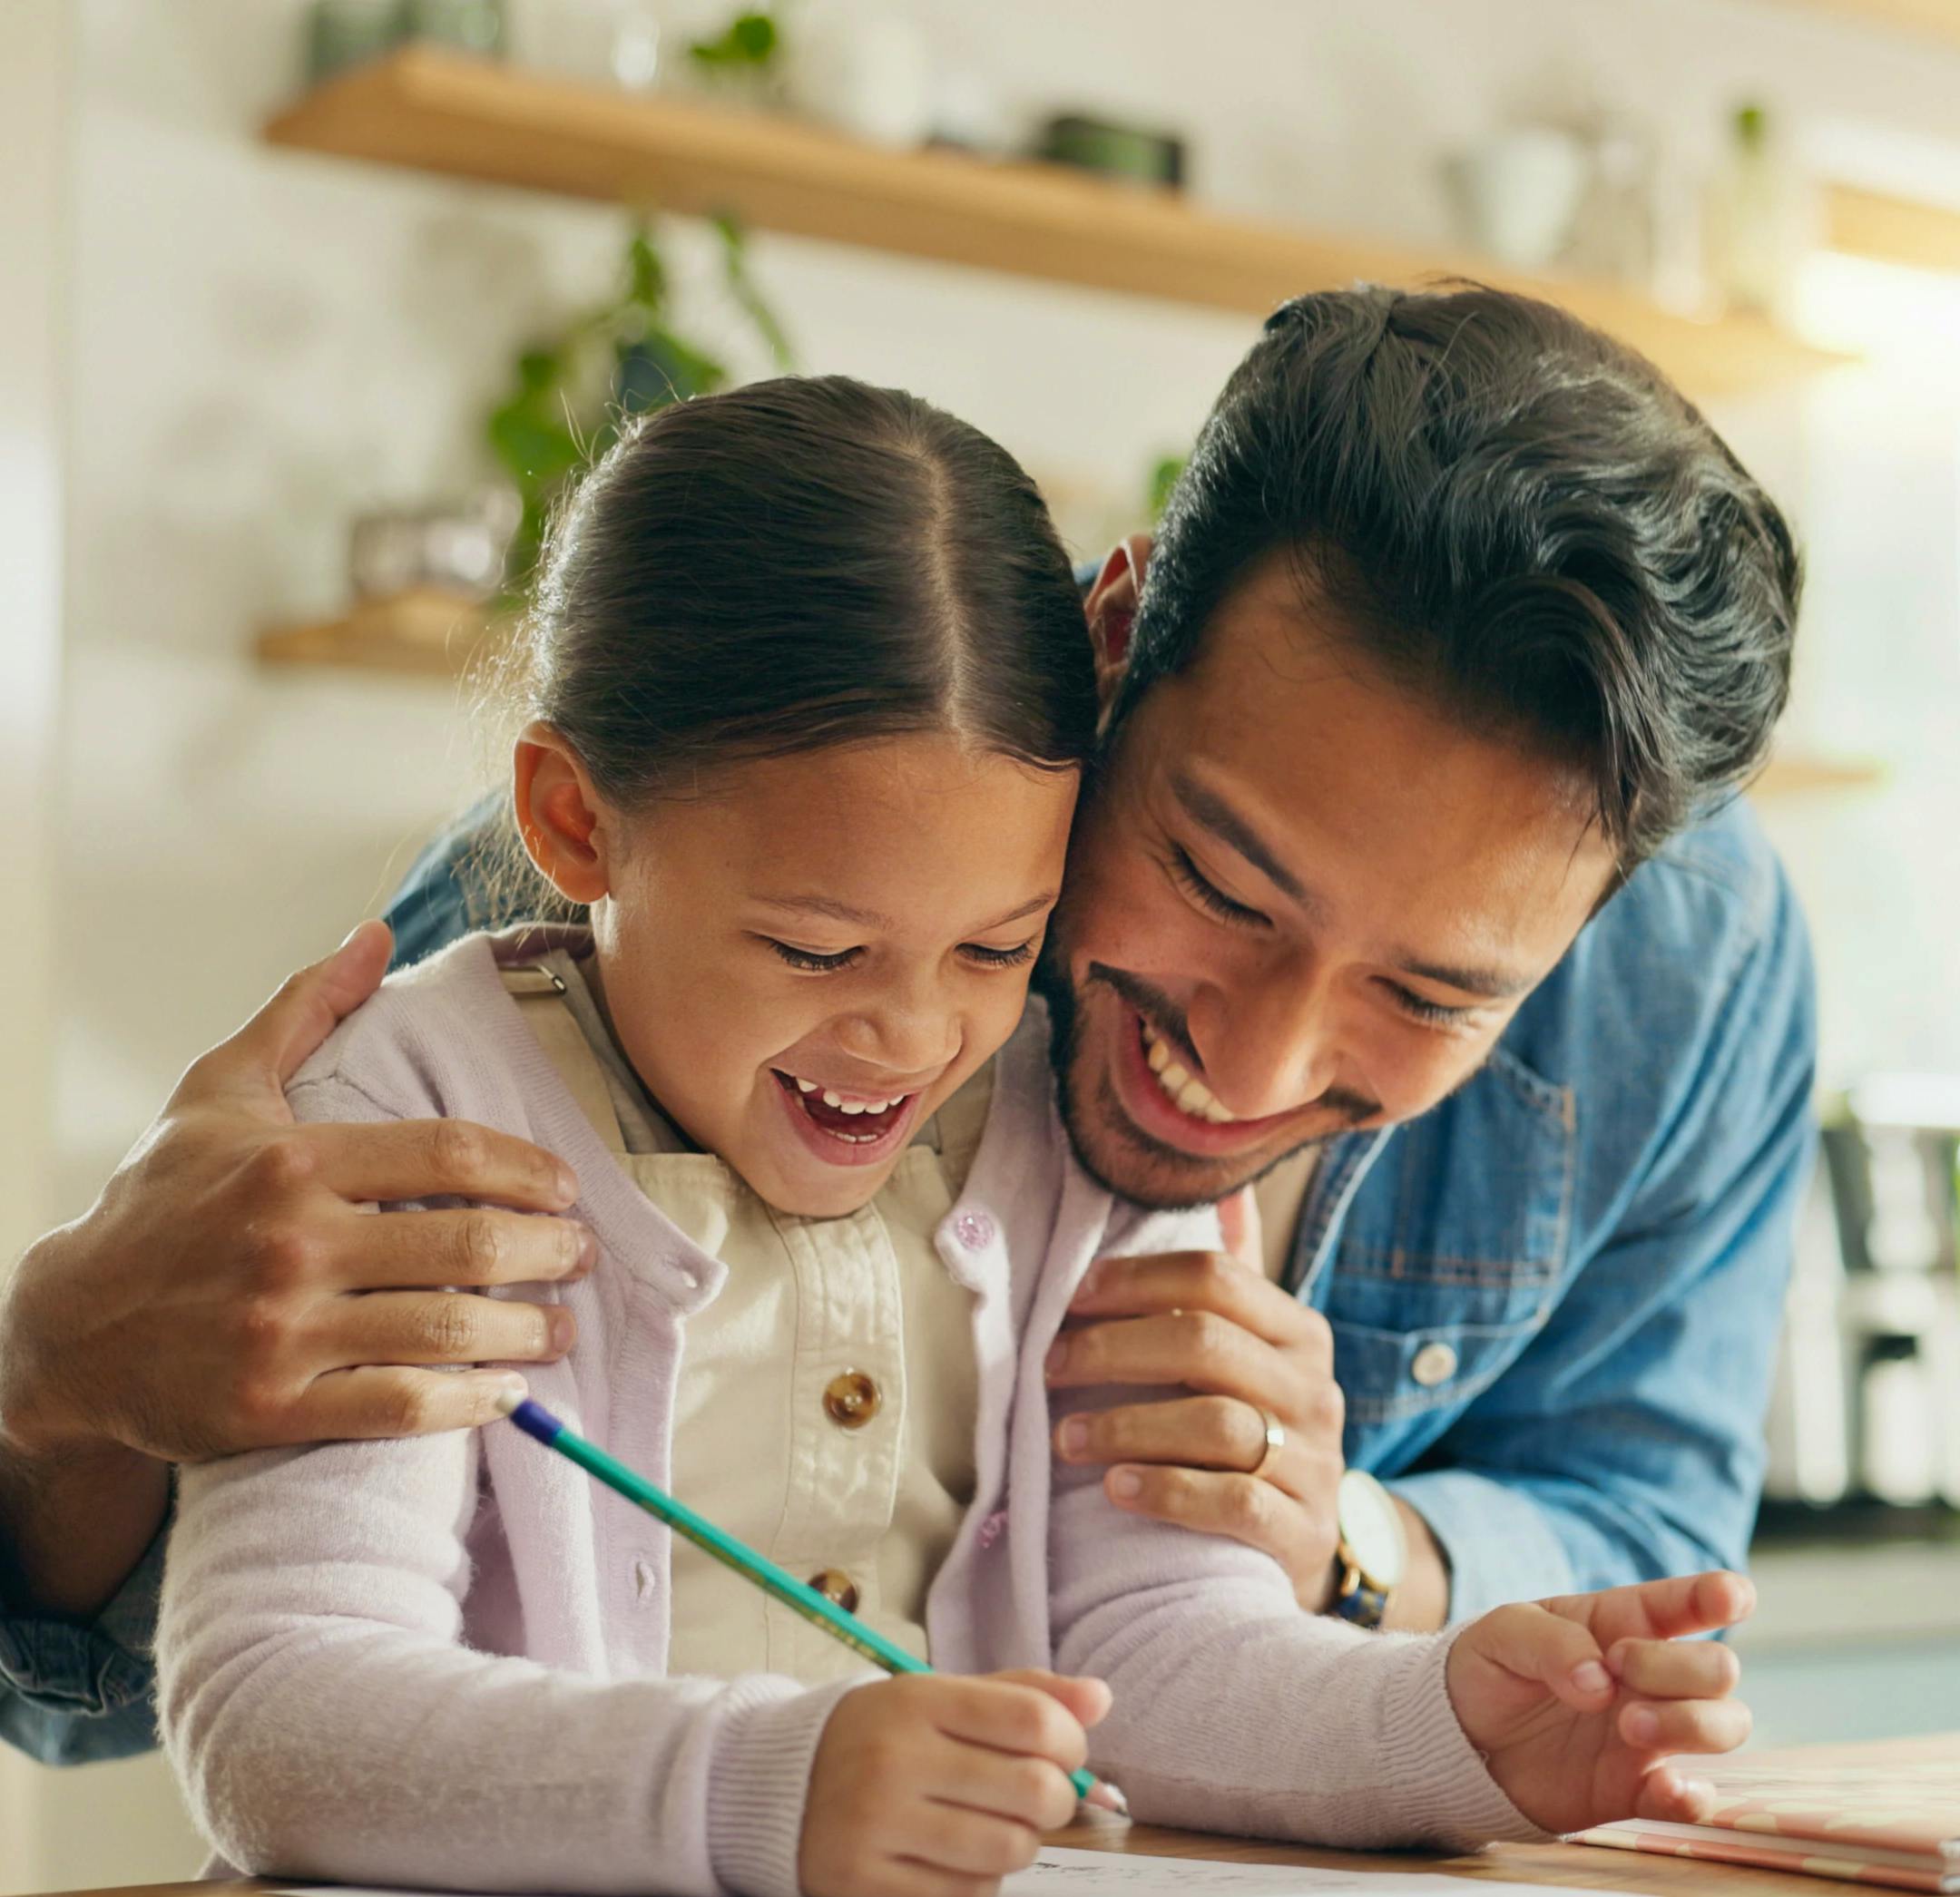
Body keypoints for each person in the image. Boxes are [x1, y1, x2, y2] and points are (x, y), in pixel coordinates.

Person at [0, 284, 1812, 1772]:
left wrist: (1350, 1552)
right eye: (1220, 883)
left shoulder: (1693, 966)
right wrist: (55, 1378)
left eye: (1435, 995)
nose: (1252, 1072)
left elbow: (1644, 1542)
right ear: (1113, 652)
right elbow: (182, 1685)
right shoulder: (639, 911)